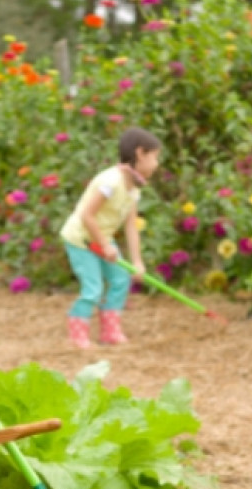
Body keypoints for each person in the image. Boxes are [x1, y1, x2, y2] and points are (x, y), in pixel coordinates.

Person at [59, 127, 161, 349]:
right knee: (93, 288)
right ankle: (77, 335)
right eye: (155, 157)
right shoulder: (111, 182)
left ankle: (110, 331)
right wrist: (105, 244)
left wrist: (137, 262)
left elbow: (131, 226)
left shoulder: (134, 189)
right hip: (81, 240)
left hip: (101, 238)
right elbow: (87, 215)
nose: (157, 164)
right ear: (140, 153)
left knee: (120, 279)